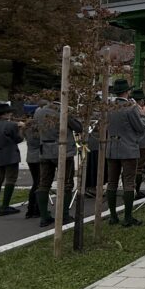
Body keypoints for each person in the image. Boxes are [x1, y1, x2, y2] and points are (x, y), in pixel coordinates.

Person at [33, 98, 83, 228]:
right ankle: (64, 215)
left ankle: (44, 216)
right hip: (63, 150)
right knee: (67, 183)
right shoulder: (64, 110)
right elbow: (78, 128)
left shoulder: (39, 111)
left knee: (43, 184)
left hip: (44, 149)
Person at [105, 78, 145, 227]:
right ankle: (128, 217)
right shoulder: (131, 107)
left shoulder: (109, 106)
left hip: (111, 147)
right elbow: (140, 127)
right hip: (128, 147)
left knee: (112, 182)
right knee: (128, 182)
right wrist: (143, 115)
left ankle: (113, 216)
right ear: (127, 92)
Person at [0, 103, 23, 216]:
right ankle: (5, 206)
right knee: (10, 179)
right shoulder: (11, 125)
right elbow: (18, 139)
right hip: (10, 155)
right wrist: (20, 128)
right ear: (4, 114)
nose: (10, 113)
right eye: (9, 112)